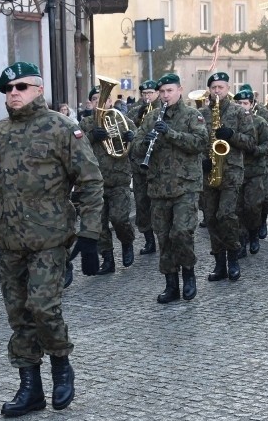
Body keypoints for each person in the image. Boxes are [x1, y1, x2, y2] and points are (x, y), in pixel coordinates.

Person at [0, 62, 103, 418]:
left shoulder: (61, 128)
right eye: (8, 89)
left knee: (43, 308)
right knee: (19, 314)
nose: (13, 93)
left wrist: (90, 234)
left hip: (50, 238)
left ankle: (60, 365)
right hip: (10, 239)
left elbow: (90, 181)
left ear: (38, 89)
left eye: (21, 86)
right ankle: (30, 388)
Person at [134, 73, 208, 302]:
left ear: (179, 90)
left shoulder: (192, 115)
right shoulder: (152, 117)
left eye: (169, 91)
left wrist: (171, 133)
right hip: (158, 187)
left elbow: (200, 143)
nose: (165, 96)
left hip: (186, 185)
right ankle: (171, 283)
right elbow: (135, 146)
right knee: (164, 236)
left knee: (182, 232)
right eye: (162, 92)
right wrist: (146, 141)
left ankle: (188, 273)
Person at [199, 72, 255, 283]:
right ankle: (219, 263)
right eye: (214, 88)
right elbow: (197, 143)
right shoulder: (202, 114)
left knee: (227, 215)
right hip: (209, 173)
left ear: (227, 88)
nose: (217, 91)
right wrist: (201, 160)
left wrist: (232, 135)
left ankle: (233, 257)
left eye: (221, 87)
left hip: (231, 171)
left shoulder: (240, 112)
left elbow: (251, 142)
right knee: (212, 218)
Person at [79, 85, 136, 274]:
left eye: (103, 98)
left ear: (110, 101)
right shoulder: (85, 123)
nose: (100, 102)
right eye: (95, 99)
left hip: (119, 178)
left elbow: (138, 146)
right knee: (99, 224)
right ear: (91, 103)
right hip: (94, 181)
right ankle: (108, 258)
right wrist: (92, 137)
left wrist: (131, 138)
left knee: (119, 219)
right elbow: (76, 148)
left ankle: (127, 242)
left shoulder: (123, 120)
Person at [233, 88, 268, 256]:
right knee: (237, 208)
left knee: (253, 207)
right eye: (239, 103)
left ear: (252, 104)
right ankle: (241, 241)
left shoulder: (260, 122)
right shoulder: (231, 122)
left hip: (256, 171)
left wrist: (255, 150)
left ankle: (254, 233)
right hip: (235, 171)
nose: (242, 107)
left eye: (245, 103)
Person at [126, 79, 161, 255]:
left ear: (157, 93)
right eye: (144, 93)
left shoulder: (163, 109)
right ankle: (148, 239)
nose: (147, 96)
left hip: (159, 165)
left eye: (150, 93)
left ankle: (163, 236)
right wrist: (138, 118)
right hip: (139, 164)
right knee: (141, 203)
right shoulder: (134, 111)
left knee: (160, 203)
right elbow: (128, 134)